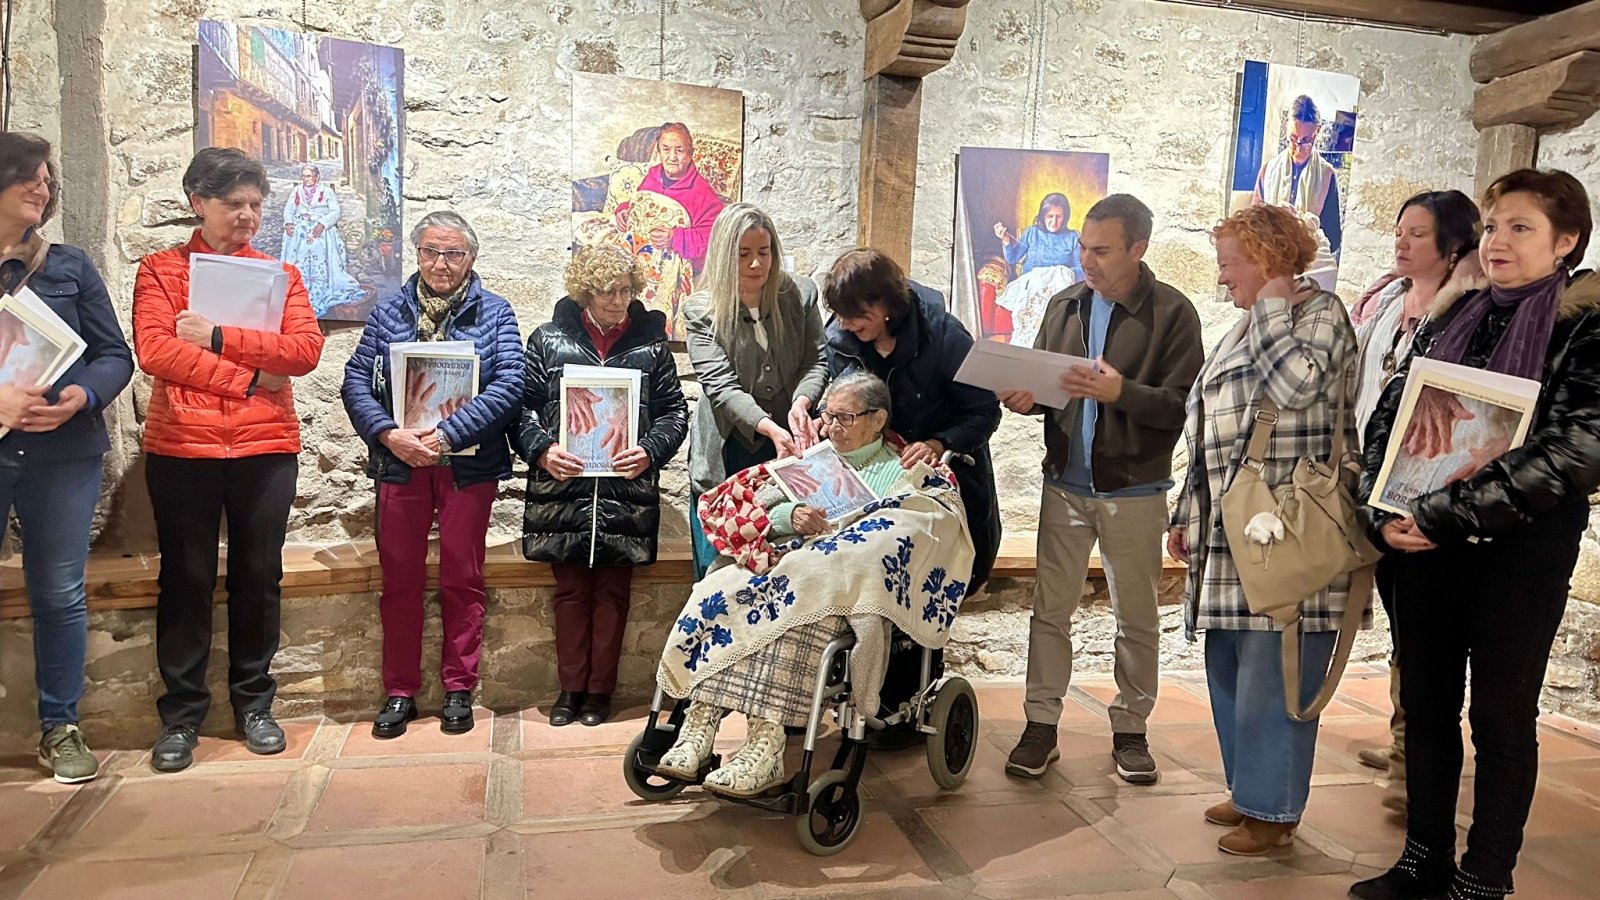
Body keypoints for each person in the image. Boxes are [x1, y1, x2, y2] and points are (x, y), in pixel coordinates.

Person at [1351, 169, 1600, 900]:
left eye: (1520, 227)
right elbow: (1392, 414)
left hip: (1518, 554)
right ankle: (1422, 858)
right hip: (1422, 547)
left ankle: (1486, 876)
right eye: (1492, 226)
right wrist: (1379, 507)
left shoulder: (1587, 328)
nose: (1498, 241)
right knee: (1426, 708)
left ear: (1566, 241)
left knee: (1500, 718)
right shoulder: (1456, 311)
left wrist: (1441, 513)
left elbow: (1575, 451)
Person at [655, 371, 974, 796]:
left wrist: (854, 541)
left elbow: (918, 530)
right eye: (828, 415)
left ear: (878, 420)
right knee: (718, 592)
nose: (832, 426)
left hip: (838, 580)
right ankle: (700, 721)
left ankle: (766, 746)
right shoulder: (813, 461)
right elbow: (760, 507)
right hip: (783, 564)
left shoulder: (906, 471)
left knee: (799, 615)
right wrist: (789, 516)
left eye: (845, 417)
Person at [1168, 204, 1360, 855]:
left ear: (1265, 257)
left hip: (1285, 527)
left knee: (1275, 672)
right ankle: (1251, 788)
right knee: (1230, 664)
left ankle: (1274, 810)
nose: (1222, 278)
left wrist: (1275, 307)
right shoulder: (1243, 325)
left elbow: (1298, 388)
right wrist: (1186, 511)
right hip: (1230, 528)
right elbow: (1208, 425)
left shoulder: (1319, 314)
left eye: (1229, 264)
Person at [996, 195, 1203, 784]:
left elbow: (1185, 407)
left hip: (1133, 491)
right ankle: (1041, 725)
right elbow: (1052, 390)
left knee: (1135, 617)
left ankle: (1131, 728)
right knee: (1049, 612)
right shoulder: (1065, 305)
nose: (1086, 260)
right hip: (1063, 485)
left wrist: (1122, 394)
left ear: (1138, 249)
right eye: (1084, 248)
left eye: (1102, 250)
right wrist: (1028, 400)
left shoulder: (1173, 313)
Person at [133, 148, 326, 773]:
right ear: (199, 203)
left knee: (258, 576)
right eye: (233, 203)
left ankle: (255, 705)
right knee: (186, 579)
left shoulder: (281, 274)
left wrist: (216, 336)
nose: (247, 215)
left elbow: (302, 351)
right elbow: (157, 352)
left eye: (255, 204)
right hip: (182, 445)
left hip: (265, 447)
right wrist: (248, 377)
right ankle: (182, 714)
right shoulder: (161, 271)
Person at [341, 211, 524, 739]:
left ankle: (459, 687)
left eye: (453, 253)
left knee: (462, 577)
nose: (441, 264)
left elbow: (510, 385)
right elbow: (355, 381)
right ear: (417, 254)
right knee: (399, 578)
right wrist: (386, 434)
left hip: (467, 466)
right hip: (400, 464)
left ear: (471, 258)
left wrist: (447, 435)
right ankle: (399, 690)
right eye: (430, 252)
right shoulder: (388, 311)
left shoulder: (495, 312)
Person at [823, 248, 1002, 750]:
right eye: (841, 315)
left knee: (920, 582)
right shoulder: (841, 335)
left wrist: (940, 443)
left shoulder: (944, 335)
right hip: (871, 483)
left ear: (885, 306)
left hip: (940, 484)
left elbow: (984, 412)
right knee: (868, 576)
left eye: (856, 315)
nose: (846, 325)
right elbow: (831, 386)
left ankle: (906, 704)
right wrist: (819, 411)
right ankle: (862, 693)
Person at [0, 132, 133, 783]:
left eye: (48, 179)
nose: (42, 186)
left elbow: (115, 356)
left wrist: (82, 396)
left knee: (58, 591)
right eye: (29, 174)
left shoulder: (69, 266)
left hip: (63, 454)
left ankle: (61, 726)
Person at [514, 245, 688, 727]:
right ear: (585, 292)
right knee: (570, 592)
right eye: (608, 292)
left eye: (626, 291)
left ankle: (599, 693)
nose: (619, 301)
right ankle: (570, 689)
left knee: (613, 592)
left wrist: (649, 450)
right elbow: (522, 409)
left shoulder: (651, 346)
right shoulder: (548, 340)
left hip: (625, 491)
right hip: (563, 488)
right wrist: (543, 450)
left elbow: (675, 412)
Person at [1349, 190, 1482, 816]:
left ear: (1453, 245)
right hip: (1374, 484)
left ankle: (1412, 759)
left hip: (1425, 489)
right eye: (1399, 231)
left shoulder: (1467, 315)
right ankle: (1404, 739)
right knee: (1398, 620)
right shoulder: (1384, 304)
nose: (1401, 242)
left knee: (1420, 632)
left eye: (1418, 234)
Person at [685, 203, 828, 579]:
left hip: (789, 447)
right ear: (723, 255)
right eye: (743, 254)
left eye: (763, 252)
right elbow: (721, 386)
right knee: (724, 572)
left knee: (788, 562)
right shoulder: (701, 310)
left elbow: (816, 361)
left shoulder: (800, 295)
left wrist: (801, 403)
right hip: (730, 450)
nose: (755, 264)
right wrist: (769, 427)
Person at [613, 123, 725, 276]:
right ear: (659, 151)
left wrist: (675, 238)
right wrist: (624, 211)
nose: (672, 157)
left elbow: (714, 238)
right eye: (666, 149)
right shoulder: (653, 175)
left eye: (679, 150)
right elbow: (639, 202)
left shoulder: (703, 194)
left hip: (670, 265)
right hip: (639, 253)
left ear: (690, 154)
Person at [1254, 95, 1343, 259]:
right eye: (1293, 138)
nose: (1298, 147)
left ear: (1317, 131)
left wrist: (1304, 231)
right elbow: (1252, 224)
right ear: (1287, 127)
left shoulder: (1326, 175)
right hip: (1270, 259)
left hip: (1307, 262)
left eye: (1306, 140)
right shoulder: (1268, 171)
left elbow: (1333, 238)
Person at [281, 164, 364, 316]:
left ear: (317, 177)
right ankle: (300, 287)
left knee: (319, 244)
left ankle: (320, 286)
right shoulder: (297, 191)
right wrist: (289, 222)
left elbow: (335, 211)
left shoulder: (326, 191)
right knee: (298, 242)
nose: (306, 179)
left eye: (309, 176)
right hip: (301, 226)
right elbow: (289, 209)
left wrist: (323, 223)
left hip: (320, 226)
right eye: (303, 176)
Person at [995, 192, 1085, 280]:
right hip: (1030, 283)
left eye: (1059, 216)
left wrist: (1059, 273)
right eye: (1050, 216)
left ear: (1065, 217)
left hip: (1059, 285)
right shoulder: (1031, 232)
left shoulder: (1073, 237)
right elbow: (1012, 258)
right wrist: (1006, 240)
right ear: (1043, 216)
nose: (1054, 222)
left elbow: (1081, 270)